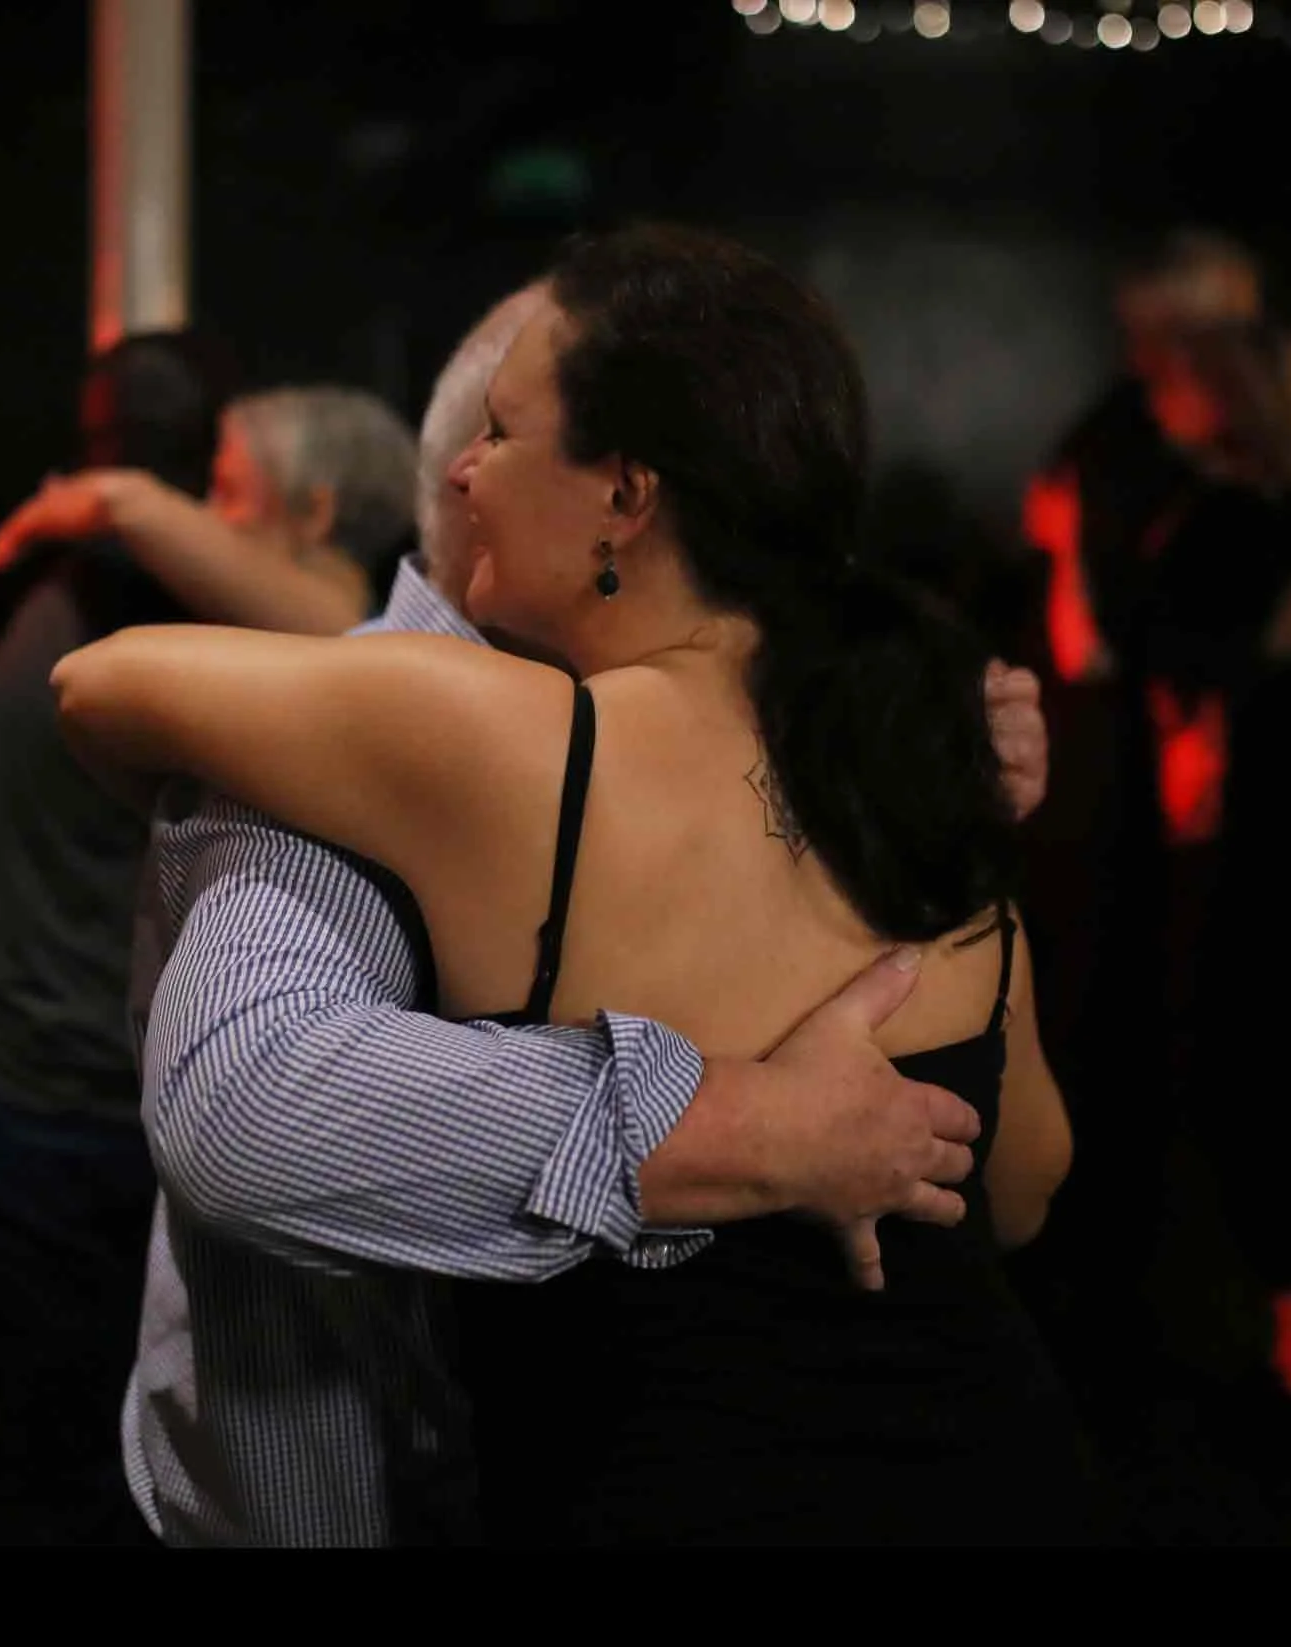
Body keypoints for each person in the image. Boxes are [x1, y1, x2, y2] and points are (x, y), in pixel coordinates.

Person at [54, 224, 1087, 1545]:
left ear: (627, 496)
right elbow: (1025, 1181)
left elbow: (103, 682)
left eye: (503, 431)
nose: (467, 475)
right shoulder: (927, 751)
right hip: (995, 1467)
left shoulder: (519, 741)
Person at [0, 337, 406, 1544]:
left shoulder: (43, 577)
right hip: (75, 1124)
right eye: (224, 484)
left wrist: (104, 497)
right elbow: (352, 628)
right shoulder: (147, 604)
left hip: (15, 1105)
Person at [1018, 229, 1291, 1427]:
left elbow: (1139, 651)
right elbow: (1116, 648)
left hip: (1234, 842)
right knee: (1178, 1072)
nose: (1151, 366)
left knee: (1226, 1073)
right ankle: (1264, 1334)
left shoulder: (1258, 510)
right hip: (1185, 840)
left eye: (1174, 348)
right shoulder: (1198, 483)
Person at [0, 383, 418, 635]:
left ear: (316, 513)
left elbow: (126, 502)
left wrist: (103, 502)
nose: (207, 516)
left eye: (228, 493)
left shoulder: (345, 632)